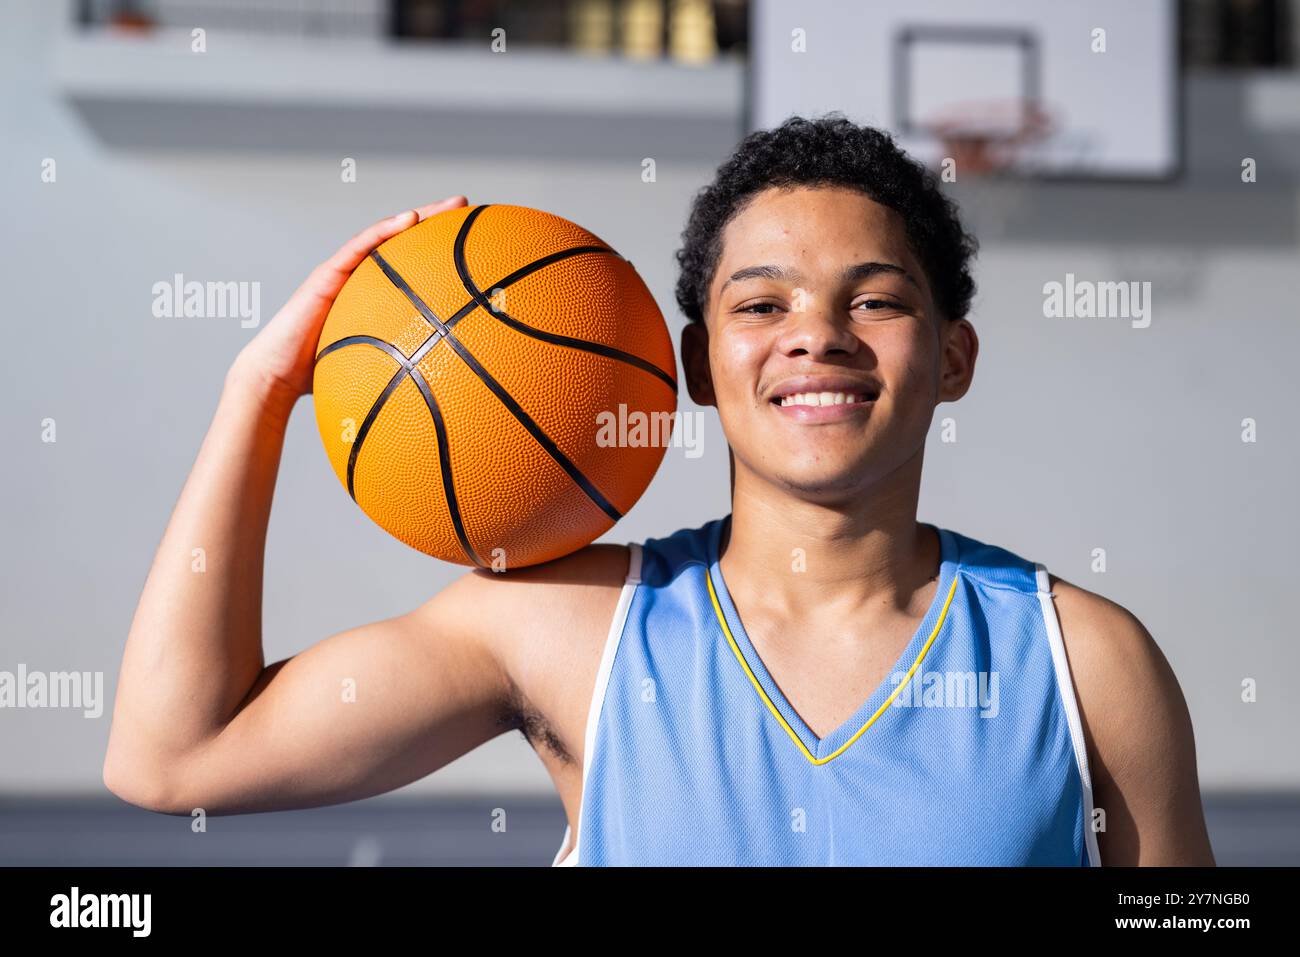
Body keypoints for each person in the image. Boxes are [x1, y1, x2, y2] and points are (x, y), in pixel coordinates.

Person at [104, 114, 1215, 866]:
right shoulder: (564, 630)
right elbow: (172, 755)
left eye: (873, 301)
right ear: (693, 364)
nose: (817, 337)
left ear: (955, 358)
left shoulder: (1085, 660)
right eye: (762, 304)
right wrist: (262, 389)